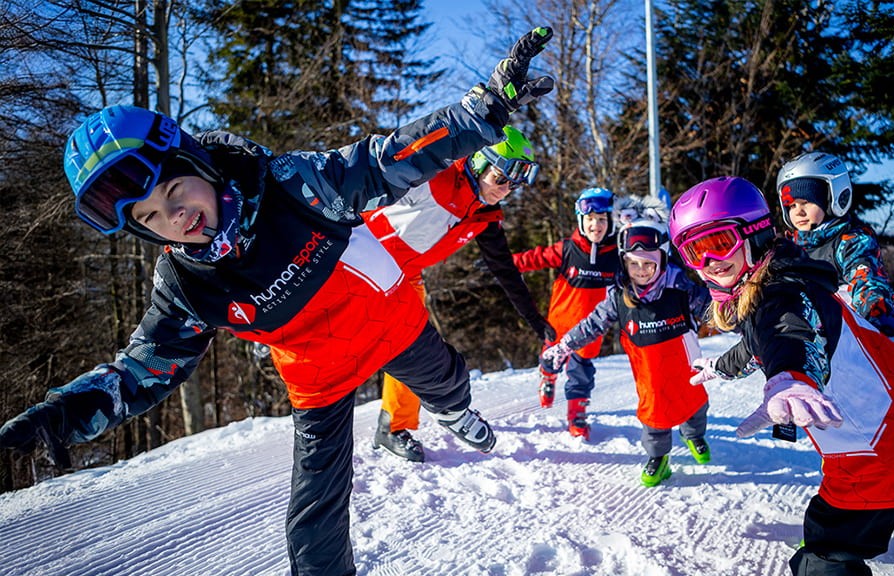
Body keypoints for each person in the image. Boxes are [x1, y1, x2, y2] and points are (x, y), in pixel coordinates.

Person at [0, 27, 556, 576]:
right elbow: (142, 370)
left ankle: (456, 413)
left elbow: (386, 161)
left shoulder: (291, 185)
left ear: (197, 161)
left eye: (173, 191)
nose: (174, 216)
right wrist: (60, 415)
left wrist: (482, 111)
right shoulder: (187, 285)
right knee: (313, 521)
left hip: (388, 317)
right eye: (150, 217)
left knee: (448, 380)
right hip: (319, 376)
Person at [671, 176, 894, 576]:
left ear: (754, 234)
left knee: (824, 549)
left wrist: (790, 378)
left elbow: (790, 332)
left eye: (719, 243)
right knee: (832, 520)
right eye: (693, 251)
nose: (708, 262)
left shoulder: (782, 291)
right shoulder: (766, 284)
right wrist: (721, 367)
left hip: (885, 452)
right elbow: (761, 342)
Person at [363, 125, 553, 462]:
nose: (506, 190)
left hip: (404, 275)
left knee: (413, 344)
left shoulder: (484, 215)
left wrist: (534, 319)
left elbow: (504, 270)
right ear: (479, 163)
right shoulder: (434, 177)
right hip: (362, 254)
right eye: (501, 178)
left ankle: (393, 426)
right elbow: (377, 182)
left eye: (514, 184)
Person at [541, 215, 712, 486]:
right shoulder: (617, 296)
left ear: (662, 261)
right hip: (648, 370)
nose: (642, 270)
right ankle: (659, 457)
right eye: (634, 264)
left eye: (649, 264)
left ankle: (694, 436)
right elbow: (591, 325)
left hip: (685, 361)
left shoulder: (680, 287)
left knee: (693, 401)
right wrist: (564, 345)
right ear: (624, 263)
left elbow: (713, 310)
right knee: (654, 410)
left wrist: (745, 323)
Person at [776, 151, 894, 393]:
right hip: (839, 337)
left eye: (807, 203)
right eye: (791, 205)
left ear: (834, 198)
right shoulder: (791, 249)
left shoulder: (851, 239)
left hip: (883, 320)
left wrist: (888, 332)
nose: (798, 212)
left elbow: (867, 282)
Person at [513, 186, 619, 438]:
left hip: (590, 331)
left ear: (611, 221)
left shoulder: (616, 256)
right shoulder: (568, 250)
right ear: (581, 221)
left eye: (602, 219)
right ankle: (547, 378)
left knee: (581, 374)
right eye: (590, 219)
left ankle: (576, 416)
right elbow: (534, 258)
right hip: (558, 326)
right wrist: (502, 264)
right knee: (550, 361)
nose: (596, 225)